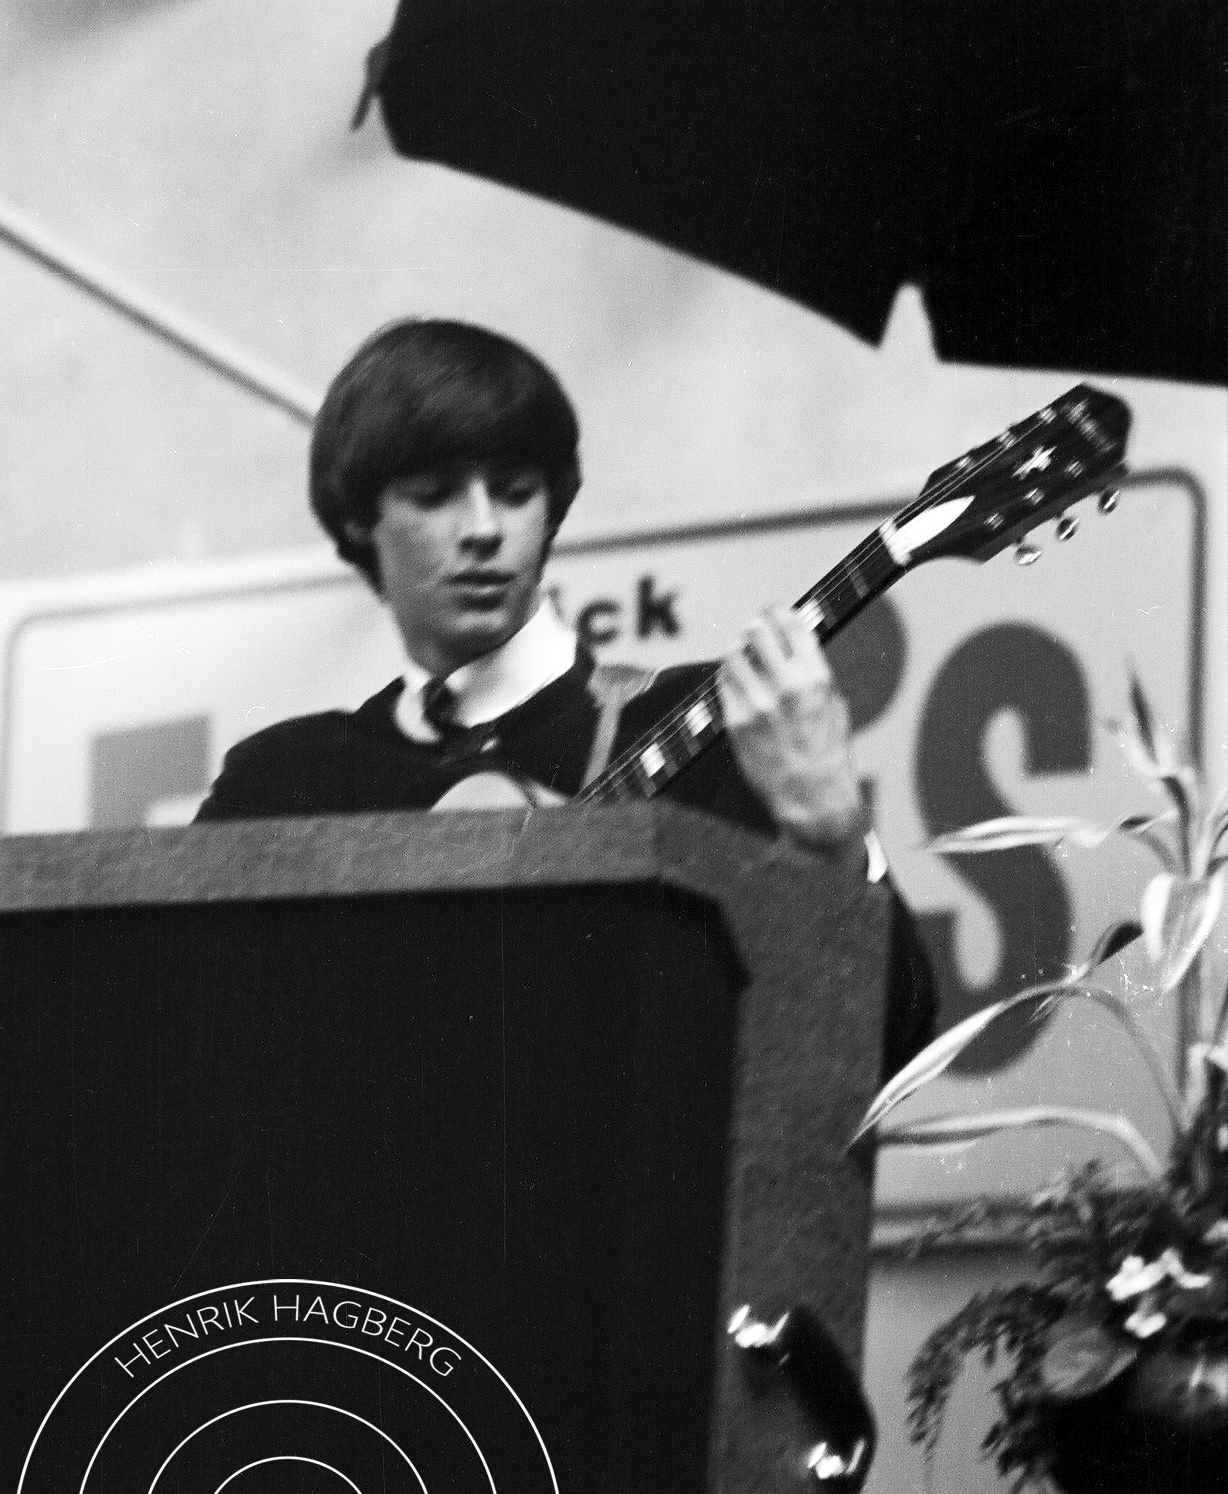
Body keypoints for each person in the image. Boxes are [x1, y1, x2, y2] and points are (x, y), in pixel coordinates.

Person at [196, 318, 934, 1068]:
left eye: (516, 492)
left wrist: (833, 834)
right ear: (360, 518)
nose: (484, 528)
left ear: (552, 509)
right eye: (434, 495)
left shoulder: (715, 728)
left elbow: (885, 1049)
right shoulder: (282, 780)